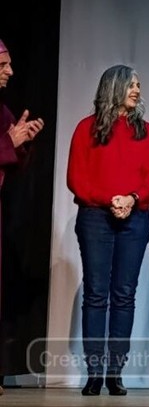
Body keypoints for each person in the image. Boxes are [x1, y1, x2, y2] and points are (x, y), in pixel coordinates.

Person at [67, 64, 149, 396]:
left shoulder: (146, 131)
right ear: (113, 88)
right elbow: (76, 179)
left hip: (134, 218)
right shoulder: (86, 129)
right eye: (131, 85)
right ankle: (94, 372)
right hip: (95, 217)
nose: (137, 90)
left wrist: (131, 198)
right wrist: (109, 200)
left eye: (138, 85)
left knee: (124, 295)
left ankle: (115, 372)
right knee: (96, 293)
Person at [0, 39, 45, 397]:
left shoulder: (2, 111)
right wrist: (7, 143)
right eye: (3, 64)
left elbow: (12, 167)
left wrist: (22, 144)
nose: (11, 71)